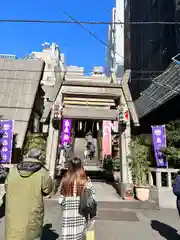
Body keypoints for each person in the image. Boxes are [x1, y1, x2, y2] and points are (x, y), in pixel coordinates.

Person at [4, 148, 54, 240]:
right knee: (31, 235)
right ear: (39, 157)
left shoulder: (13, 170)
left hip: (13, 214)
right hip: (32, 214)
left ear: (27, 155)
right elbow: (48, 190)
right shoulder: (43, 172)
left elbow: (6, 187)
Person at [59, 157, 96, 240]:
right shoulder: (85, 179)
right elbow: (92, 196)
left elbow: (61, 200)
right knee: (80, 234)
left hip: (68, 211)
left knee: (68, 234)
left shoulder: (65, 179)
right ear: (80, 166)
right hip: (82, 208)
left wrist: (66, 203)